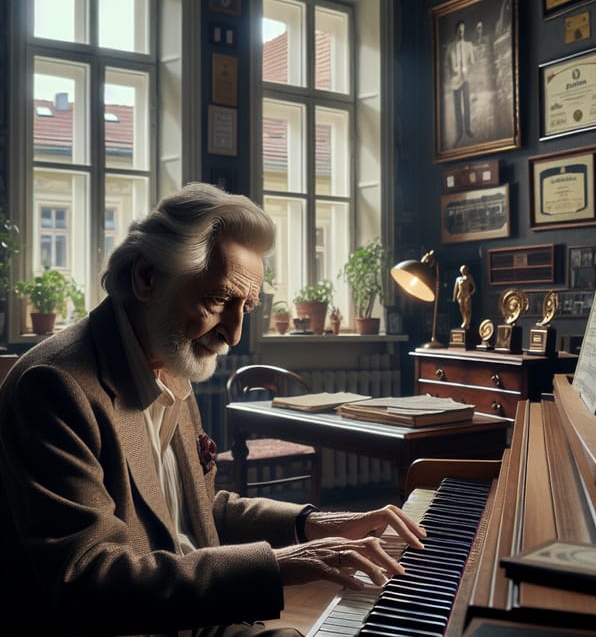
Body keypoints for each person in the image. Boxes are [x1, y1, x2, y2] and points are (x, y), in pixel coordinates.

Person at [0, 182, 426, 636]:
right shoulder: (54, 386)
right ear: (147, 277)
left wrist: (311, 525)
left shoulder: (170, 361)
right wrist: (279, 565)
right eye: (220, 300)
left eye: (247, 307)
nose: (235, 332)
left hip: (193, 614)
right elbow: (87, 580)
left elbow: (196, 511)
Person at [446, 19, 476, 145]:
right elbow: (447, 64)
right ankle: (459, 133)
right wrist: (452, 72)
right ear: (456, 31)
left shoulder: (469, 45)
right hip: (455, 80)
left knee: (467, 104)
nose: (461, 32)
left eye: (463, 30)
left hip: (466, 78)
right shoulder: (450, 47)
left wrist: (467, 69)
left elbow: (473, 62)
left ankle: (468, 129)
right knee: (457, 107)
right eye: (459, 30)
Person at [453, 264, 477, 330]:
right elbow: (455, 289)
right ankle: (464, 320)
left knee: (467, 309)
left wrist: (470, 294)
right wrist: (454, 297)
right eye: (462, 270)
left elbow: (474, 288)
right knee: (462, 308)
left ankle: (467, 322)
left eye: (465, 269)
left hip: (467, 295)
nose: (464, 271)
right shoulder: (458, 279)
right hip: (460, 295)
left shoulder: (469, 277)